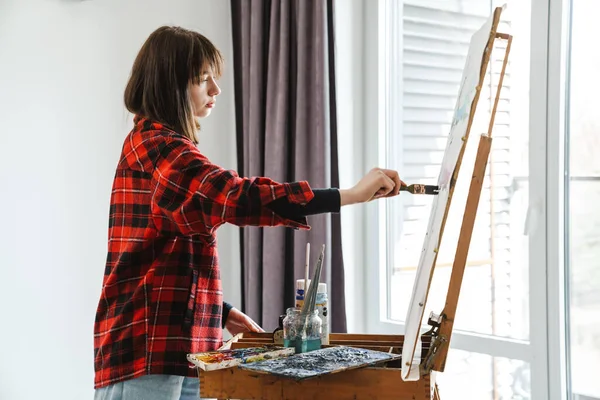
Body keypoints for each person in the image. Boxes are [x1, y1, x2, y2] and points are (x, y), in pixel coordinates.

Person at [93, 26, 404, 400]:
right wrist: (349, 195)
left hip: (181, 347)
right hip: (148, 349)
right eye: (201, 80)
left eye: (214, 79)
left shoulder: (159, 147)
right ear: (170, 87)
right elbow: (238, 196)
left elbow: (160, 251)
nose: (215, 90)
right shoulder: (160, 148)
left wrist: (219, 310)